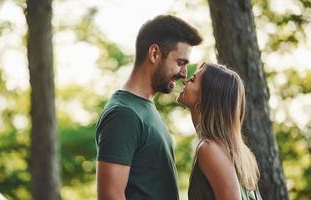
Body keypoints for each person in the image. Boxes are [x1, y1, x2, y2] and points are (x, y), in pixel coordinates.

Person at [95, 15, 203, 200]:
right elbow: (110, 196)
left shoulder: (145, 108)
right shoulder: (124, 114)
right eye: (180, 62)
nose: (184, 73)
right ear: (154, 54)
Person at [177, 63, 262, 200]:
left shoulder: (209, 149)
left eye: (192, 79)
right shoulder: (233, 152)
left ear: (206, 96)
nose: (185, 80)